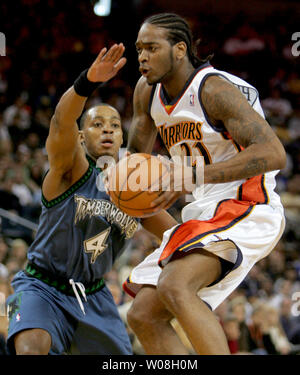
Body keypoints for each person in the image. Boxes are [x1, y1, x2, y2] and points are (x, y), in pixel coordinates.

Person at [123, 13, 286, 355]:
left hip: (248, 203)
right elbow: (134, 167)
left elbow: (273, 153)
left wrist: (195, 176)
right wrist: (119, 183)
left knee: (175, 285)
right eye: (139, 48)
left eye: (152, 48)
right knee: (142, 316)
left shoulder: (213, 89)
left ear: (179, 49)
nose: (142, 56)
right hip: (204, 211)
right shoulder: (146, 92)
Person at [5, 43, 177, 355]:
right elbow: (61, 120)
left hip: (94, 295)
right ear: (82, 136)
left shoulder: (134, 191)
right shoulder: (70, 168)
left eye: (114, 125)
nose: (107, 130)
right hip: (41, 286)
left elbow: (176, 235)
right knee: (31, 349)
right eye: (97, 124)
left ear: (122, 138)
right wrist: (87, 82)